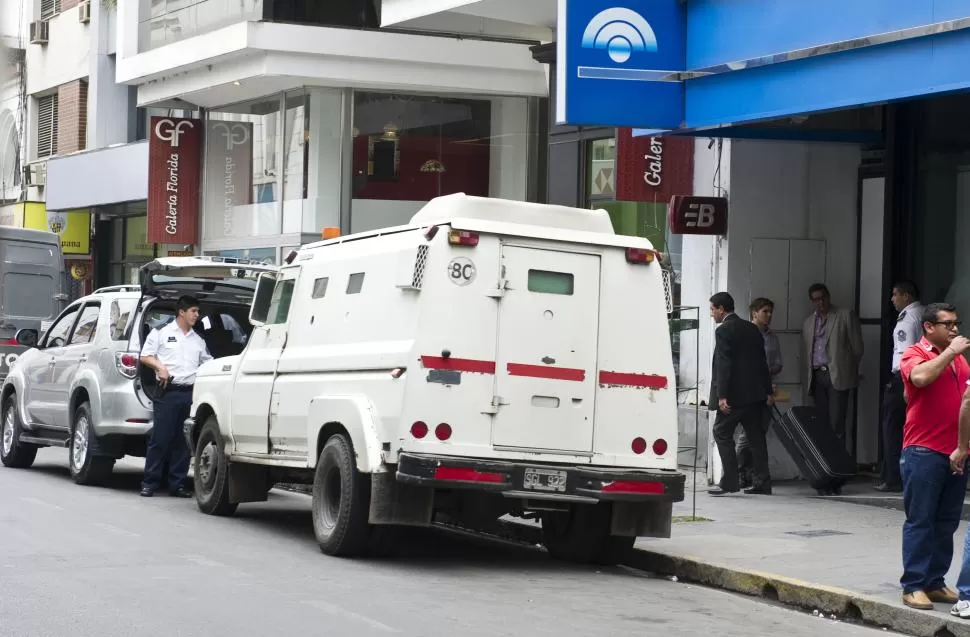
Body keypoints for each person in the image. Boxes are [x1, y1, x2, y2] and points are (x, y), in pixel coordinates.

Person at [896, 303, 970, 610]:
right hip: (923, 450)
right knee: (921, 520)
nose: (954, 329)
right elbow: (920, 379)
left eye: (956, 323)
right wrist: (951, 351)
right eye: (947, 324)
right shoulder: (916, 352)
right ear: (929, 327)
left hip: (955, 451)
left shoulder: (959, 360)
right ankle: (913, 584)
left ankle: (935, 581)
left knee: (947, 521)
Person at [138, 295, 213, 498]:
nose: (197, 315)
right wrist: (160, 367)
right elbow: (145, 356)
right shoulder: (161, 333)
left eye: (197, 312)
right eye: (194, 311)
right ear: (182, 312)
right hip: (168, 392)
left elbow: (208, 363)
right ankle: (149, 482)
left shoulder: (198, 340)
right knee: (160, 439)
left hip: (189, 394)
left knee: (182, 441)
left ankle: (177, 485)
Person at [708, 292, 774, 496]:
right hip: (755, 396)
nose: (712, 314)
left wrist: (722, 396)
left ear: (721, 309)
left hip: (734, 398)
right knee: (756, 439)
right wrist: (767, 391)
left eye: (712, 309)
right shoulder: (752, 329)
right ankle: (762, 482)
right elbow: (762, 362)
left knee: (721, 432)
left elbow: (724, 364)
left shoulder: (723, 331)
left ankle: (730, 481)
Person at [802, 283, 863, 449]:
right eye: (816, 300)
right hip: (816, 375)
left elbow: (857, 347)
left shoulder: (845, 315)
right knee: (821, 422)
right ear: (812, 301)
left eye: (823, 298)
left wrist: (851, 369)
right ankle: (825, 465)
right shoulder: (808, 323)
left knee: (837, 422)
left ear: (828, 296)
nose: (820, 303)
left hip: (837, 373)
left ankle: (839, 465)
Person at [876, 281, 924, 492]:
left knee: (892, 428)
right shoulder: (924, 313)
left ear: (907, 295)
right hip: (921, 376)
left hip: (904, 378)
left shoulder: (908, 318)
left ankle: (892, 477)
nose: (892, 299)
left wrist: (904, 383)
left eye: (895, 295)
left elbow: (905, 355)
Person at [737, 297, 783, 489]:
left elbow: (778, 363)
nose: (769, 315)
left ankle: (754, 474)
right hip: (751, 391)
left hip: (768, 390)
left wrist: (769, 373)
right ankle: (741, 472)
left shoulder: (772, 337)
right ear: (754, 313)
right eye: (765, 311)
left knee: (760, 434)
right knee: (746, 436)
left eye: (771, 311)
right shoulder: (746, 333)